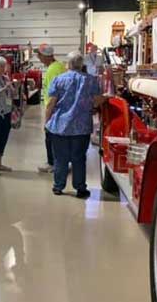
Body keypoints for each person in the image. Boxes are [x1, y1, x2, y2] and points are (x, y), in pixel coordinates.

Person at [45, 51, 105, 198]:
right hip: (81, 126)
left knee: (60, 158)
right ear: (81, 64)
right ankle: (80, 188)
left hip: (60, 126)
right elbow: (97, 100)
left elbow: (51, 103)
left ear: (69, 64)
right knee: (79, 158)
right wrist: (94, 104)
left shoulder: (59, 80)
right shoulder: (91, 80)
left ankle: (58, 186)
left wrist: (47, 121)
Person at [36, 44, 66, 173]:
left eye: (40, 56)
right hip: (59, 109)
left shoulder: (53, 70)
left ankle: (52, 163)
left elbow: (53, 95)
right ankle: (56, 161)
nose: (39, 58)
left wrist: (47, 115)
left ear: (45, 56)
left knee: (51, 137)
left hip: (54, 109)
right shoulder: (59, 66)